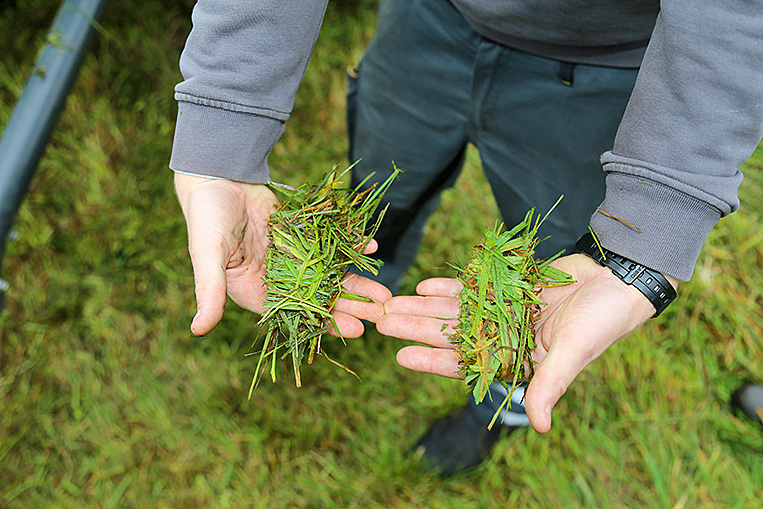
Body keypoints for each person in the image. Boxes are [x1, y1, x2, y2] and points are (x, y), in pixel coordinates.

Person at [169, 1, 763, 476]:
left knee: (551, 272)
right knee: (378, 194)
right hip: (427, 20)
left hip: (604, 61)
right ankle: (359, 284)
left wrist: (649, 238)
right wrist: (223, 140)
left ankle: (499, 404)